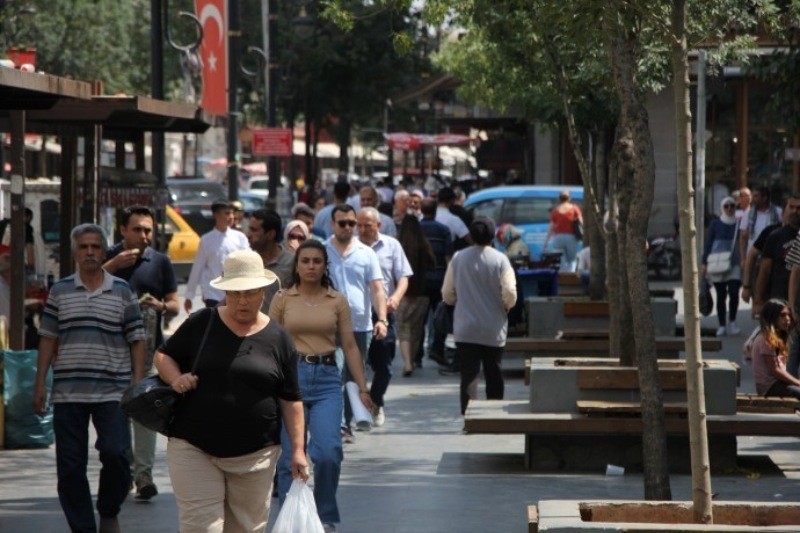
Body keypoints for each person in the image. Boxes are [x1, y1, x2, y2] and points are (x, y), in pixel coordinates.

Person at [154, 249, 309, 532]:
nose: (242, 300)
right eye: (235, 293)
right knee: (202, 528)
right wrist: (176, 379)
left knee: (246, 528)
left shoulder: (278, 338)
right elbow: (164, 355)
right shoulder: (202, 322)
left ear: (263, 291)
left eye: (249, 292)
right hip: (193, 446)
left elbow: (291, 399)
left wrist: (298, 451)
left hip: (256, 456)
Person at [33, 223, 146, 533]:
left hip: (113, 391)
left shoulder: (122, 291)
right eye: (84, 247)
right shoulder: (60, 291)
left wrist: (137, 384)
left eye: (96, 247)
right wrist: (40, 382)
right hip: (69, 392)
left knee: (116, 453)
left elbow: (138, 338)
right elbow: (47, 337)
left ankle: (109, 509)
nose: (90, 253)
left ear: (104, 250)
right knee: (70, 468)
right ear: (75, 252)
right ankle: (83, 528)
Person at [269, 240, 372, 532]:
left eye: (317, 261)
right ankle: (292, 521)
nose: (311, 266)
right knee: (291, 456)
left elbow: (350, 345)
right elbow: (271, 342)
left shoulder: (336, 300)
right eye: (305, 261)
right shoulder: (282, 298)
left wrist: (363, 388)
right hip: (291, 379)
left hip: (327, 377)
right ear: (297, 266)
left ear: (326, 265)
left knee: (328, 452)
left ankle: (324, 515)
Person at [103, 205, 179, 500]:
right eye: (137, 229)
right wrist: (113, 265)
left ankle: (143, 475)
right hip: (111, 352)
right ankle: (123, 470)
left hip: (149, 350)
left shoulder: (160, 262)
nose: (144, 236)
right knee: (117, 413)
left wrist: (161, 306)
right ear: (123, 230)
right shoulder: (108, 258)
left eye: (148, 230)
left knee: (145, 413)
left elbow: (173, 303)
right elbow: (85, 285)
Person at [442, 217, 517, 414]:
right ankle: (493, 413)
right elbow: (510, 291)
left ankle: (469, 414)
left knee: (469, 374)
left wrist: (455, 301)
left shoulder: (458, 258)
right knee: (494, 372)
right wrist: (507, 306)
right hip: (494, 327)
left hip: (465, 328)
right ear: (492, 235)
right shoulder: (501, 259)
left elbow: (447, 293)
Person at [326, 205, 388, 439]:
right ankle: (340, 426)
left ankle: (347, 423)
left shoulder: (366, 253)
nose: (348, 227)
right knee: (337, 372)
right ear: (333, 224)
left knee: (354, 376)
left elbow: (377, 289)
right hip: (329, 326)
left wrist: (382, 319)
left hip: (361, 325)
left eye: (352, 223)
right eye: (343, 223)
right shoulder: (323, 252)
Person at [357, 207, 412, 426]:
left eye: (367, 225)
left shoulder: (391, 245)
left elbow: (404, 276)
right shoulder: (351, 247)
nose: (362, 230)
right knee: (355, 367)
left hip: (383, 314)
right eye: (358, 225)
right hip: (356, 315)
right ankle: (356, 412)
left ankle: (376, 400)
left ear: (378, 225)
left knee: (385, 368)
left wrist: (396, 298)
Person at [184, 199, 249, 312]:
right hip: (213, 293)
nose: (231, 217)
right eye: (227, 213)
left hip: (235, 292)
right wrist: (189, 296)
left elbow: (248, 262)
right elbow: (198, 268)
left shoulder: (240, 238)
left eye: (232, 213)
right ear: (216, 215)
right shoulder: (206, 240)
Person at [396, 214, 435, 376]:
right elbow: (433, 265)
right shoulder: (424, 246)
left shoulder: (398, 246)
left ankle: (406, 363)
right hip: (422, 293)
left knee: (403, 329)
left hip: (403, 293)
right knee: (416, 330)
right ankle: (411, 360)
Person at [700, 197, 743, 337]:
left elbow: (743, 242)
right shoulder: (715, 224)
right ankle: (722, 324)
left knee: (734, 292)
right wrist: (704, 262)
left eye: (732, 206)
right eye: (726, 206)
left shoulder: (738, 224)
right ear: (722, 208)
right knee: (721, 295)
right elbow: (708, 243)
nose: (729, 208)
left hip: (733, 262)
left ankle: (732, 321)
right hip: (717, 263)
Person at [419, 198, 453, 367]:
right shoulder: (444, 230)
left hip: (420, 282)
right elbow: (448, 259)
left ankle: (416, 356)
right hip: (440, 280)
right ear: (435, 211)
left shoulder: (416, 229)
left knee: (420, 319)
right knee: (441, 316)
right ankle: (436, 349)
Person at [754, 194, 800, 315]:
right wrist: (758, 300)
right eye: (792, 207)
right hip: (779, 300)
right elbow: (764, 270)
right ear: (785, 209)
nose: (795, 211)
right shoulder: (775, 236)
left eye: (799, 208)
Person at [750, 299, 800, 400]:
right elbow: (775, 370)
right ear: (772, 317)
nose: (787, 319)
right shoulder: (766, 339)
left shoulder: (776, 337)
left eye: (788, 315)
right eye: (782, 316)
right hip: (769, 388)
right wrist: (797, 382)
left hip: (777, 384)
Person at [247, 209, 295, 311]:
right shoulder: (247, 262)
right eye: (249, 229)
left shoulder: (292, 263)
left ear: (270, 234)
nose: (248, 235)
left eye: (254, 230)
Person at [542, 189, 583, 272]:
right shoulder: (574, 209)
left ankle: (562, 279)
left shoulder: (555, 211)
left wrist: (546, 242)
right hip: (571, 237)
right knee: (572, 260)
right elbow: (581, 222)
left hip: (558, 238)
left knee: (561, 261)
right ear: (569, 198)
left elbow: (551, 228)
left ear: (559, 199)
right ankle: (570, 278)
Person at [740, 185, 782, 260]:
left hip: (771, 257)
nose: (752, 199)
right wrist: (743, 259)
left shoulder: (778, 212)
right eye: (753, 196)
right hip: (752, 257)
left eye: (756, 196)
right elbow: (743, 238)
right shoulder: (748, 214)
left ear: (764, 198)